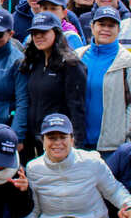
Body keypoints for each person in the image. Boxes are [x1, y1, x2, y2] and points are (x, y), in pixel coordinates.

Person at [75, 6, 131, 154]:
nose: (106, 29)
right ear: (92, 27)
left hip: (111, 147)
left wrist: (123, 131)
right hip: (78, 143)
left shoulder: (128, 62)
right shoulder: (78, 56)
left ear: (119, 29)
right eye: (101, 24)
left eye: (111, 25)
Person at [16, 12, 87, 154]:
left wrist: (76, 143)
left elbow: (77, 108)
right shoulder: (33, 63)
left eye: (43, 32)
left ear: (56, 33)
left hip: (58, 140)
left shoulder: (71, 65)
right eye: (35, 32)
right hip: (32, 138)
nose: (38, 36)